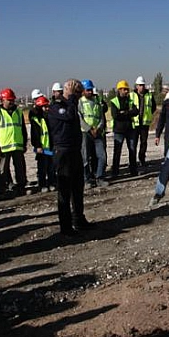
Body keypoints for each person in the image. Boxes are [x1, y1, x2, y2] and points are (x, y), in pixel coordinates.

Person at [47, 79, 94, 237]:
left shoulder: (71, 105)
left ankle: (78, 219)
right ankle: (66, 227)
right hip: (63, 152)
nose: (78, 95)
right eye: (76, 92)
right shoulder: (56, 106)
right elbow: (69, 116)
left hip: (74, 151)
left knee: (77, 188)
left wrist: (73, 100)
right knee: (65, 191)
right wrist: (72, 99)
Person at [0, 88, 28, 196]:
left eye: (12, 99)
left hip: (17, 145)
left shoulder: (19, 112)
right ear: (2, 100)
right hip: (4, 146)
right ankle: (2, 187)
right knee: (2, 169)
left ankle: (21, 186)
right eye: (8, 100)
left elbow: (23, 129)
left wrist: (24, 143)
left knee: (20, 168)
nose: (11, 102)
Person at [78, 79, 107, 187]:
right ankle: (87, 179)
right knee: (85, 157)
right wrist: (89, 129)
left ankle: (99, 177)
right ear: (83, 91)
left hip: (97, 133)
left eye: (90, 90)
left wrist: (98, 128)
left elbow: (101, 117)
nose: (90, 92)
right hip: (85, 133)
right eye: (87, 90)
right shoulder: (80, 102)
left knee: (102, 156)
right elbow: (80, 118)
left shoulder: (97, 101)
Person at [109, 80, 139, 178]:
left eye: (127, 89)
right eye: (124, 89)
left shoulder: (130, 100)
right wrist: (128, 113)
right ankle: (115, 172)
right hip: (119, 130)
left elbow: (136, 111)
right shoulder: (114, 101)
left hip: (130, 129)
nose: (126, 91)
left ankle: (133, 171)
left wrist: (124, 113)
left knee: (132, 150)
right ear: (119, 90)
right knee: (117, 152)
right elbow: (116, 115)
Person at [29, 96, 55, 193]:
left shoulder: (49, 118)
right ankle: (42, 184)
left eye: (47, 106)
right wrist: (37, 146)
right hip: (42, 148)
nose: (47, 108)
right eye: (45, 107)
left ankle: (52, 182)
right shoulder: (36, 120)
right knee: (42, 168)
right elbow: (35, 135)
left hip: (49, 147)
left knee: (51, 167)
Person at [131, 76, 156, 167]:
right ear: (136, 86)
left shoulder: (149, 95)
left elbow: (153, 107)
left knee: (144, 143)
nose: (142, 87)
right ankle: (133, 162)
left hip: (145, 123)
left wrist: (148, 115)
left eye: (143, 85)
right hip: (135, 123)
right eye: (140, 85)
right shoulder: (132, 95)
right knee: (133, 144)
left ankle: (142, 159)